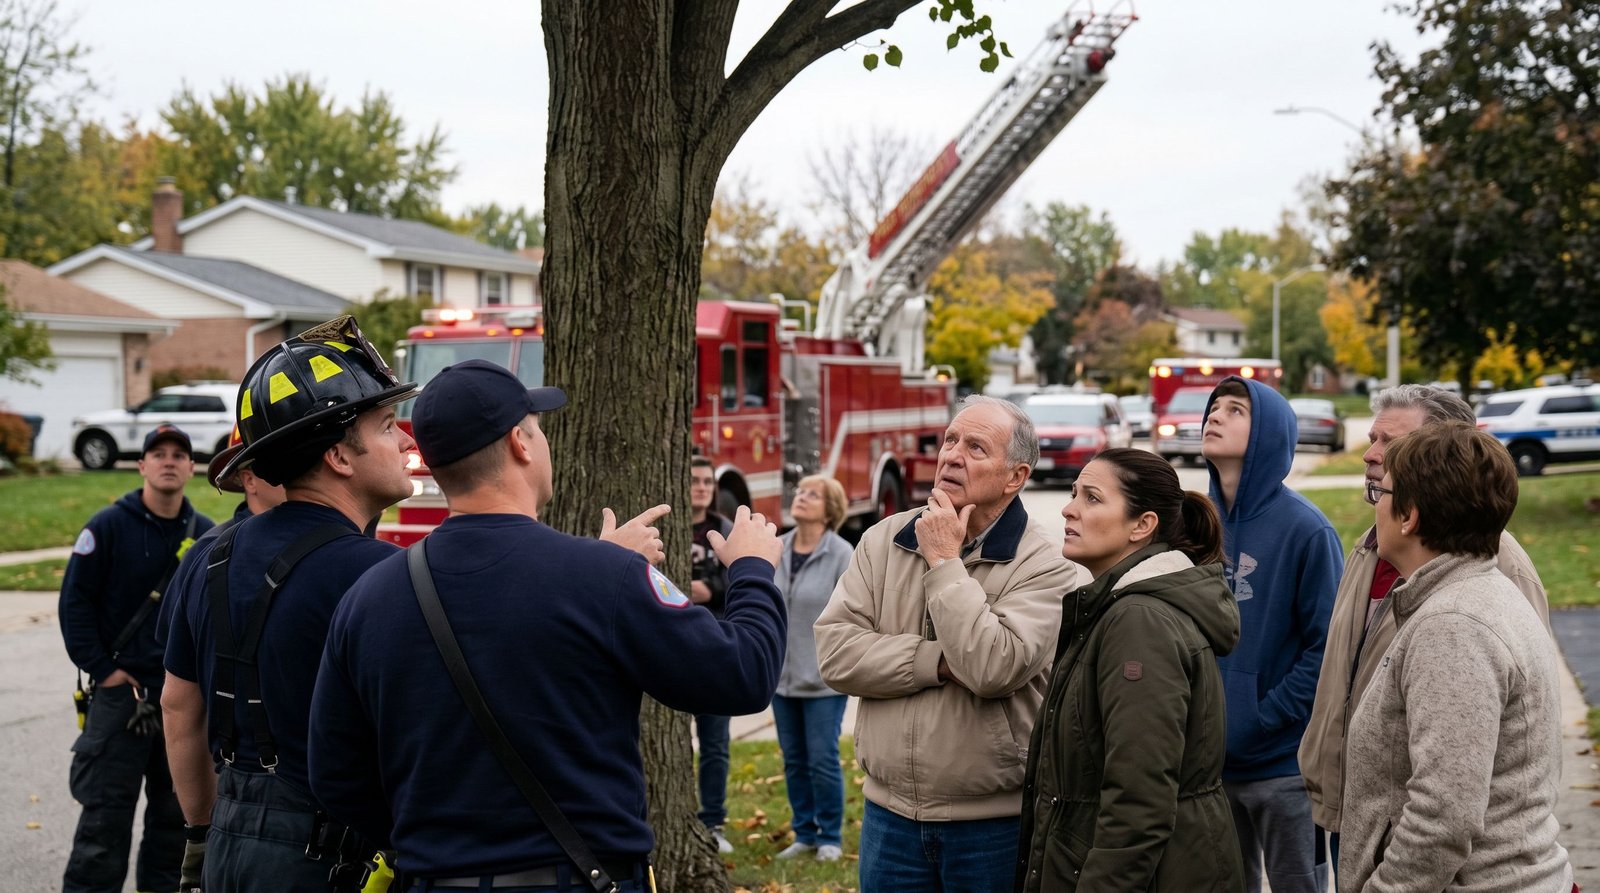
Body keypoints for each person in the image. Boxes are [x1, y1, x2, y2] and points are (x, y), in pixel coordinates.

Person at [162, 321, 667, 892]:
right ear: (338, 457)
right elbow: (503, 670)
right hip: (327, 857)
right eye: (385, 427)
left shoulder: (209, 557)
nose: (407, 443)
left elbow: (179, 706)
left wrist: (200, 838)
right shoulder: (380, 579)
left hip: (226, 846)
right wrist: (603, 571)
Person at [305, 358, 785, 891]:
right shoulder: (601, 577)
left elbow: (335, 774)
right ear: (520, 443)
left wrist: (434, 846)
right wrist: (752, 569)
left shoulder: (369, 596)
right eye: (538, 428)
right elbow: (743, 674)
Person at [816, 394, 1080, 893]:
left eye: (976, 447)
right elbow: (834, 655)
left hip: (993, 825)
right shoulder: (884, 538)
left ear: (1016, 477)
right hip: (888, 816)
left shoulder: (1047, 563)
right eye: (950, 440)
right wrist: (936, 661)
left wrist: (943, 561)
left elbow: (991, 668)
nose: (953, 455)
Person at [1299, 384, 1550, 868]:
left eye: (1391, 444)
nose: (1371, 455)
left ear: (1441, 459)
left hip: (1425, 844)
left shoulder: (1497, 573)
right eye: (1372, 439)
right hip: (1356, 813)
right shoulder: (1371, 547)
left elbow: (1497, 749)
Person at [1341, 422, 1571, 891]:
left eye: (1381, 493)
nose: (1375, 506)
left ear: (1409, 517)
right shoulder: (1475, 596)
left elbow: (1443, 816)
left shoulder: (1454, 626)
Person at [1017, 448, 1244, 892]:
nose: (1068, 509)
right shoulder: (1121, 607)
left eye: (1092, 498)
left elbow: (1139, 800)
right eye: (1073, 494)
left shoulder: (1139, 621)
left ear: (1142, 526)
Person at [59, 424, 214, 893]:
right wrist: (104, 672)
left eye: (178, 455)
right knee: (102, 830)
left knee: (175, 828)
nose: (169, 461)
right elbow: (75, 605)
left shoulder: (207, 536)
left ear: (191, 467)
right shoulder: (106, 527)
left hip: (181, 703)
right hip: (120, 698)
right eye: (158, 453)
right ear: (142, 465)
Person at [1200, 376, 1340, 893]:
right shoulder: (1194, 524)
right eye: (1214, 407)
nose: (1215, 415)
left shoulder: (1307, 529)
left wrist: (1264, 715)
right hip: (1209, 769)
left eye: (1235, 410)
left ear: (1269, 434)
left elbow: (1328, 647)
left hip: (1285, 767)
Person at [770, 474, 853, 863]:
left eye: (812, 494)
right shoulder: (777, 547)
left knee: (821, 760)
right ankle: (804, 833)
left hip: (824, 679)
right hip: (780, 679)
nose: (801, 497)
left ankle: (830, 837)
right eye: (800, 491)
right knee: (793, 759)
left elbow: (852, 614)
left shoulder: (842, 553)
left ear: (830, 509)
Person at [154, 425, 286, 650]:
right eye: (281, 461)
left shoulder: (320, 535)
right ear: (249, 479)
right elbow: (174, 640)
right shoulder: (210, 551)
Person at [689, 455, 735, 853]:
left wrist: (711, 590)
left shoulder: (724, 530)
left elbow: (741, 577)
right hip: (669, 646)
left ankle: (713, 822)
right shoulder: (669, 525)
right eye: (695, 480)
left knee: (715, 743)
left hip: (713, 647)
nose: (702, 488)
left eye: (707, 482)